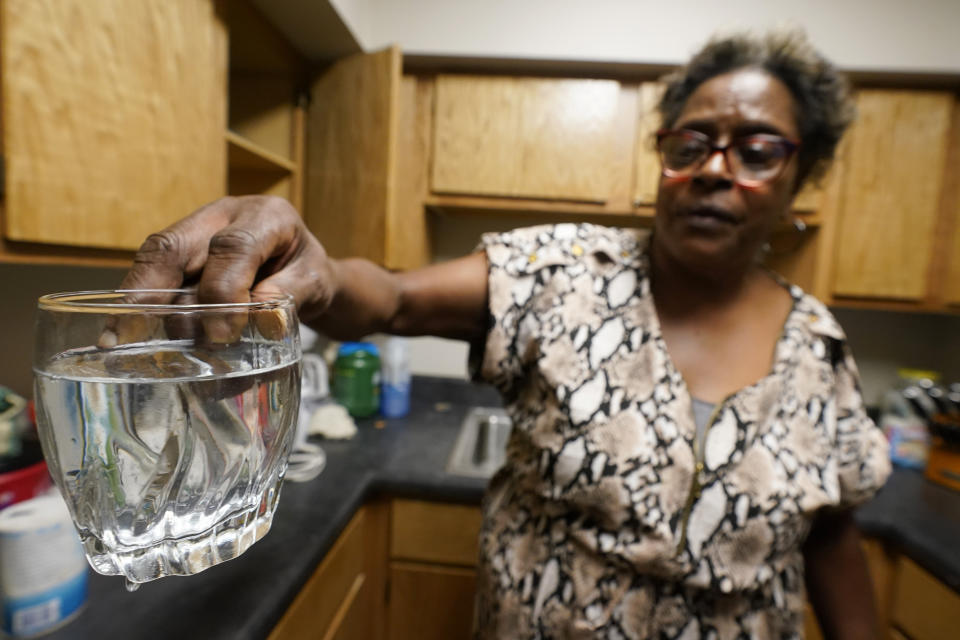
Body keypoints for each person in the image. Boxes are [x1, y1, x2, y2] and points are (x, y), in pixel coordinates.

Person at [121, 30, 890, 639]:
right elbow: (388, 300)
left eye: (756, 150)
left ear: (801, 176)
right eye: (690, 144)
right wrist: (313, 267)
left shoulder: (817, 345)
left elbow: (828, 532)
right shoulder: (561, 272)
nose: (714, 169)